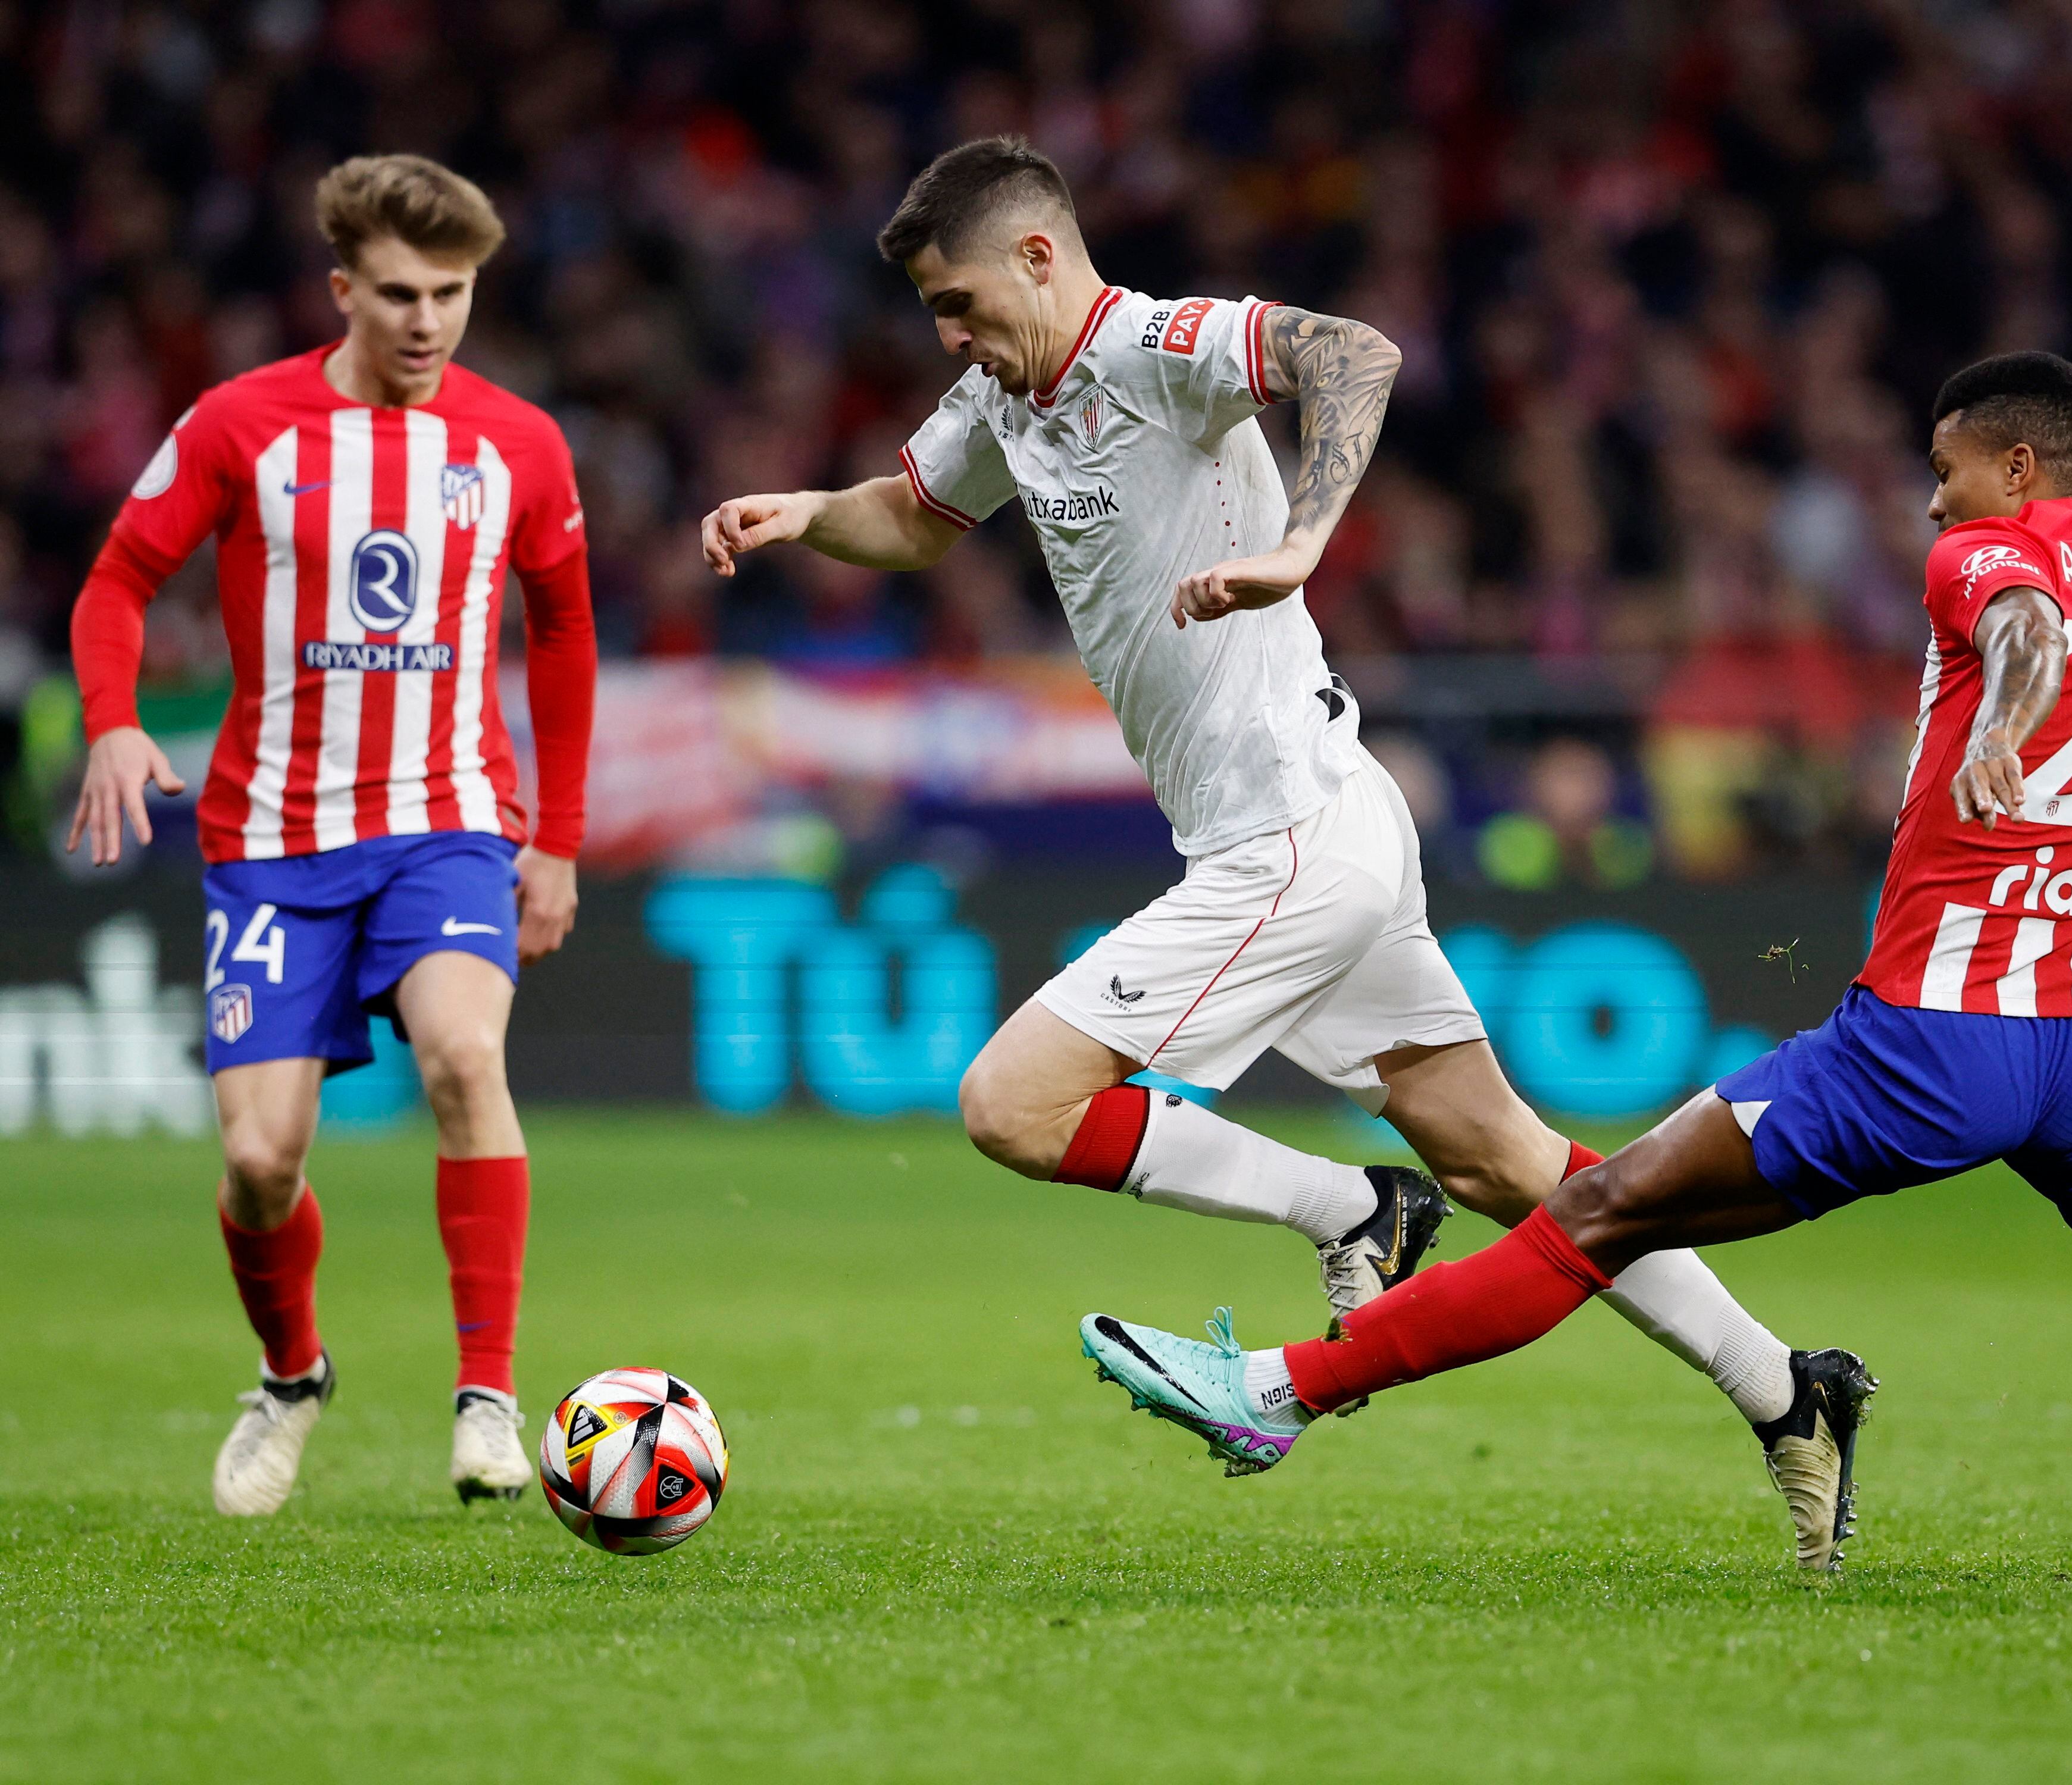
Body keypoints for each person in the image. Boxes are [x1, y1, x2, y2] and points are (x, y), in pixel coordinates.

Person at [1080, 352, 2072, 1586]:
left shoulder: (1975, 562)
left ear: (2013, 465)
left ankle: (1282, 1392)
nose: (1926, 506)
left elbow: (2007, 620)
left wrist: (2003, 715)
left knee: (1593, 1212)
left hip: (1932, 1039)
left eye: (1945, 473)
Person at [700, 136, 1867, 1565]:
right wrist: (806, 514)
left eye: (957, 303)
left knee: (1013, 1104)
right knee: (1508, 1156)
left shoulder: (1160, 347)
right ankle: (1787, 1391)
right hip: (1301, 823)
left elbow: (1356, 355)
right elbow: (915, 520)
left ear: (1039, 258)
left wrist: (1305, 536)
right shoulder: (1004, 400)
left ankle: (1353, 1205)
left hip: (1296, 843)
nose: (948, 336)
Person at [64, 155, 597, 1516]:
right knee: (258, 1163)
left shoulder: (520, 443)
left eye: (456, 295)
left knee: (467, 1057)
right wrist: (115, 719)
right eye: (403, 295)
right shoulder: (246, 424)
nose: (429, 323)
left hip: (448, 823)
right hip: (273, 839)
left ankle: (487, 1396)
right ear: (344, 288)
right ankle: (293, 1376)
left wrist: (559, 839)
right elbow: (121, 578)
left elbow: (566, 633)